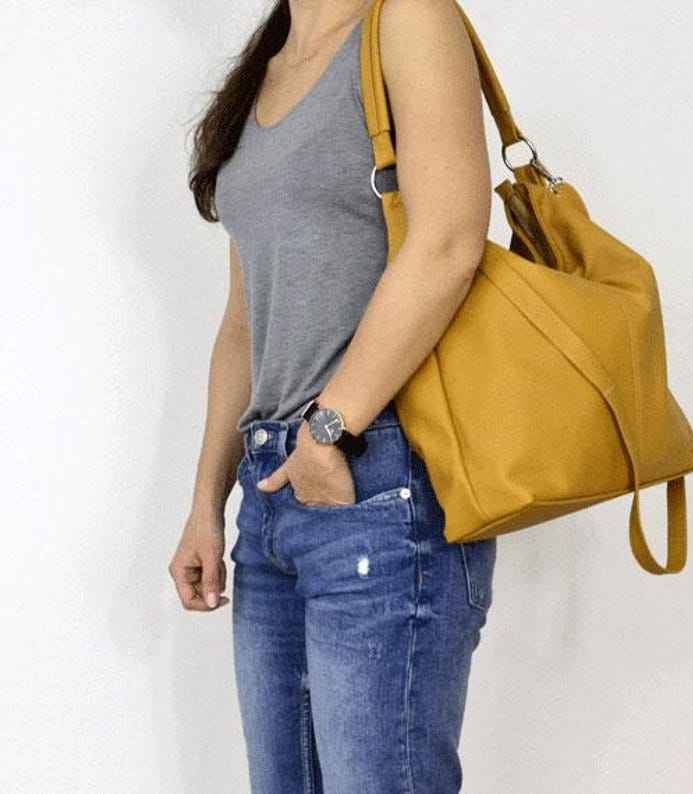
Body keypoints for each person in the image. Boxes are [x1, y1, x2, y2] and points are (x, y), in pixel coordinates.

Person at [170, 0, 497, 790]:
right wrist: (207, 502)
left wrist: (329, 429)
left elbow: (450, 240)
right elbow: (245, 321)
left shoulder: (407, 18)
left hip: (377, 477)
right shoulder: (266, 67)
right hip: (271, 495)